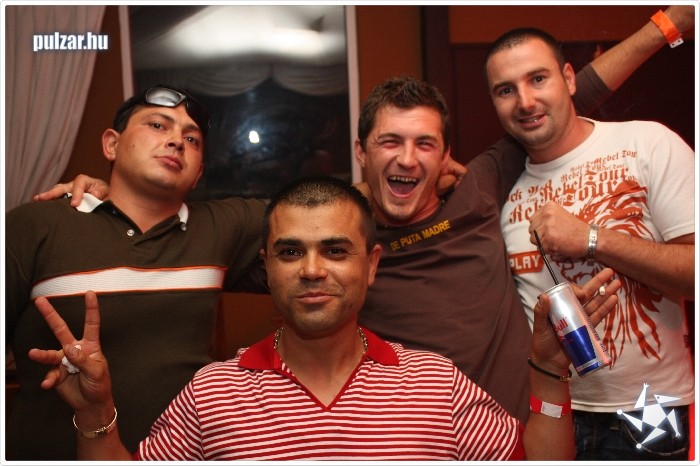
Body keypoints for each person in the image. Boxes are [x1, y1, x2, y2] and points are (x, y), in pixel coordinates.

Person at [35, 6, 694, 426]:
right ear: (361, 151)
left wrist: (666, 26)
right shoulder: (334, 238)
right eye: (389, 142)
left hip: (518, 434)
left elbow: (558, 100)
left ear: (445, 155)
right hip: (403, 441)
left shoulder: (481, 187)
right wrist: (110, 193)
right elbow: (197, 238)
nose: (407, 158)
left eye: (425, 144)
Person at [27, 176, 622, 460]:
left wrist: (549, 372)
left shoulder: (435, 383)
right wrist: (97, 417)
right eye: (291, 252)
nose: (312, 270)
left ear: (371, 265)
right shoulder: (213, 393)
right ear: (266, 266)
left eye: (335, 250)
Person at [4, 86, 268, 459]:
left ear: (198, 173)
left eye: (191, 139)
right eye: (158, 125)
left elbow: (335, 213)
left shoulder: (222, 227)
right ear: (111, 145)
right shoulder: (37, 225)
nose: (176, 141)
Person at [487, 26, 695, 460]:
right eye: (506, 90)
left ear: (569, 79)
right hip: (552, 413)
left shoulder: (645, 143)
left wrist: (593, 238)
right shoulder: (501, 193)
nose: (524, 101)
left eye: (538, 79)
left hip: (650, 406)